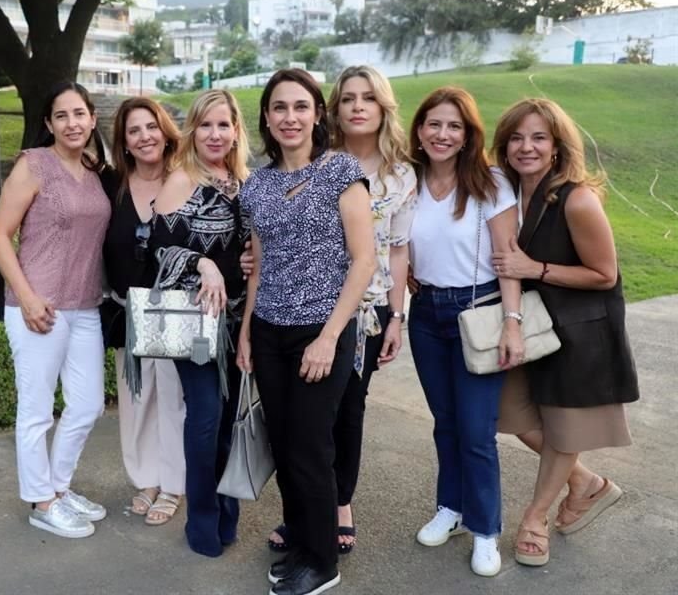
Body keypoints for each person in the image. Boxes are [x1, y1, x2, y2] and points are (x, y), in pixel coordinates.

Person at [265, 65, 418, 556]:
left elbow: (396, 249)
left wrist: (397, 316)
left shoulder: (399, 175)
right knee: (305, 422)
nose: (357, 106)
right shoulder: (315, 160)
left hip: (367, 310)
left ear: (382, 107)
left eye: (368, 98)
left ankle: (340, 505)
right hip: (309, 309)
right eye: (348, 97)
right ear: (332, 108)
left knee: (348, 409)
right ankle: (309, 513)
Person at [238, 68, 376, 595]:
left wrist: (328, 337)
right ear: (267, 119)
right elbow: (262, 263)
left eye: (300, 106)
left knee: (312, 444)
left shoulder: (342, 171)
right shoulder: (258, 183)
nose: (289, 117)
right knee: (284, 439)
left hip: (323, 328)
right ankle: (300, 540)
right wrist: (248, 331)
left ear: (318, 113)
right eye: (279, 108)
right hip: (270, 330)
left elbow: (363, 262)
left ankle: (321, 564)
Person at [490, 98, 639, 567]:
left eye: (538, 137)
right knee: (510, 415)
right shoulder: (508, 193)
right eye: (516, 137)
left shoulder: (577, 199)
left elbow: (605, 274)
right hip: (531, 326)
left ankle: (535, 518)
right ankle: (586, 483)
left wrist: (536, 267)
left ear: (556, 146)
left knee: (564, 426)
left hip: (580, 330)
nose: (526, 147)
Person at [407, 87, 524, 578]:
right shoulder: (406, 180)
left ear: (468, 134)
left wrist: (513, 322)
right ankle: (450, 508)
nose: (443, 134)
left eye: (454, 126)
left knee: (477, 432)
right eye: (434, 124)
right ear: (419, 129)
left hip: (479, 310)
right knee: (445, 422)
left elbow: (508, 259)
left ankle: (485, 529)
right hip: (426, 313)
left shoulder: (489, 182)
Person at [0, 81, 110, 539]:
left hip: (85, 305)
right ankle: (41, 502)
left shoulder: (96, 174)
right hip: (36, 306)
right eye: (62, 116)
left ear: (92, 118)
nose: (72, 123)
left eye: (79, 114)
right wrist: (26, 297)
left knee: (87, 405)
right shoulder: (33, 165)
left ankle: (58, 488)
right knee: (37, 411)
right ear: (49, 124)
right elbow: (0, 235)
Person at [150, 89, 249, 558]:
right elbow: (158, 248)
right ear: (193, 130)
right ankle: (202, 521)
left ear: (235, 130)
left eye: (223, 125)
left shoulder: (245, 180)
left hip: (241, 321)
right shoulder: (182, 178)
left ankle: (229, 516)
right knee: (206, 417)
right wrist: (201, 263)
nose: (215, 134)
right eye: (206, 125)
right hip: (193, 320)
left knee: (231, 421)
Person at [101, 97, 186, 525]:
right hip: (126, 309)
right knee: (136, 401)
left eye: (151, 127)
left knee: (172, 401)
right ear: (125, 143)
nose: (145, 136)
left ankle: (173, 485)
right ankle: (146, 479)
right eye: (134, 131)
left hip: (171, 309)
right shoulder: (111, 184)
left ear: (165, 131)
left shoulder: (184, 181)